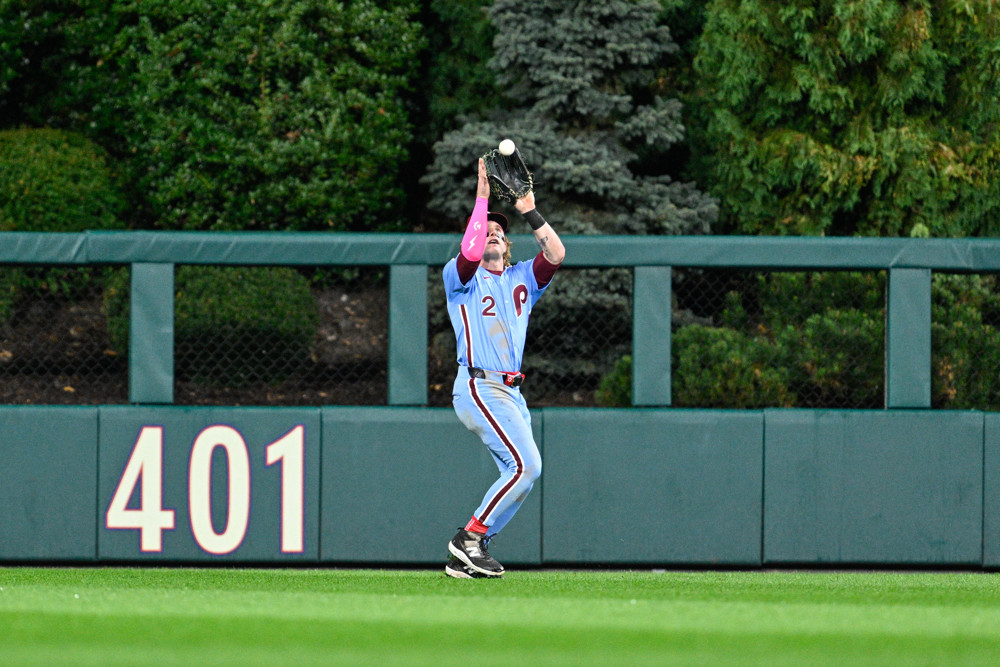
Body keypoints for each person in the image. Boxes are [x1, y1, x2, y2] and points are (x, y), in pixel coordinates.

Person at [442, 157, 566, 579]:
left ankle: (469, 556)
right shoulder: (460, 279)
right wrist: (482, 197)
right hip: (478, 384)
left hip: (511, 392)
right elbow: (471, 248)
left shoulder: (523, 279)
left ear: (508, 246)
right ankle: (470, 539)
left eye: (500, 232)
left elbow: (556, 252)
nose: (492, 234)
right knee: (527, 466)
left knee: (522, 476)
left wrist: (528, 209)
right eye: (486, 231)